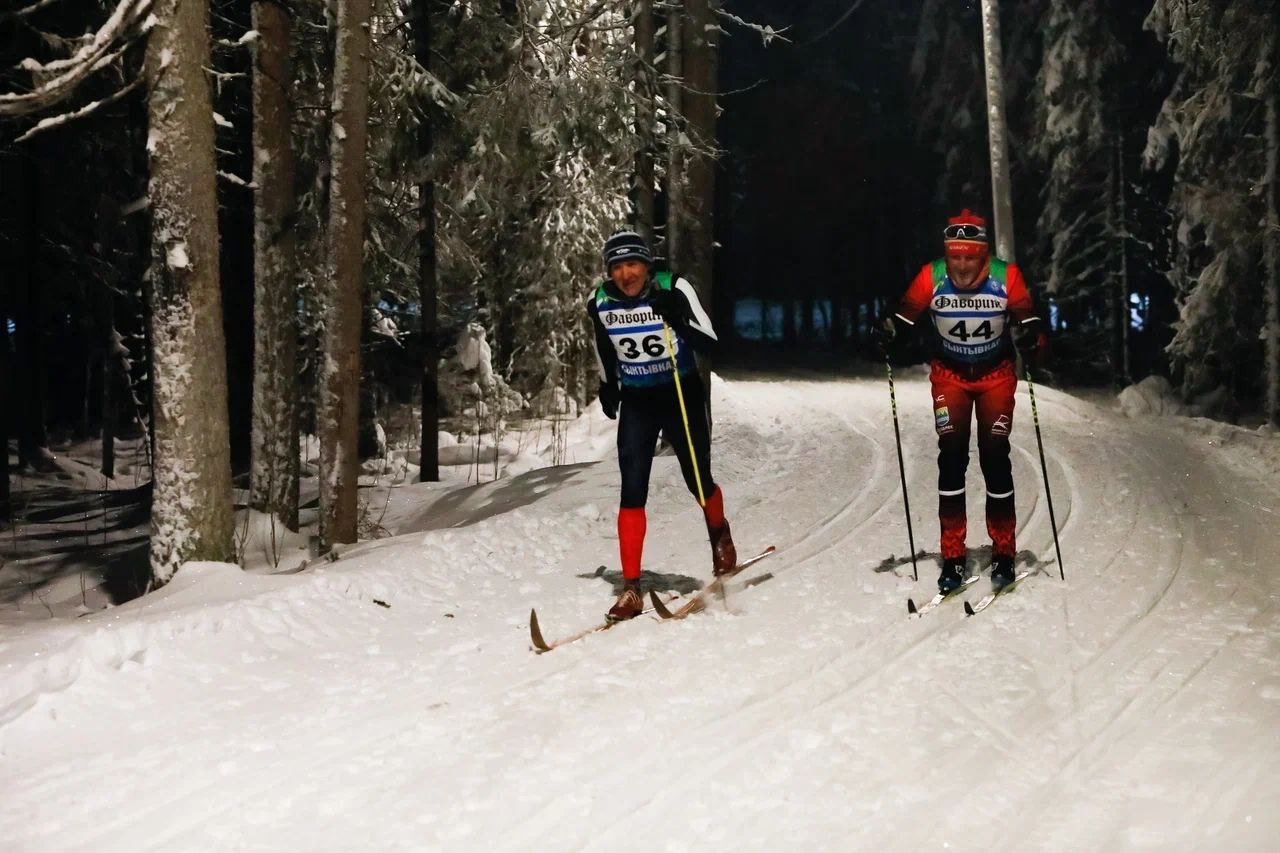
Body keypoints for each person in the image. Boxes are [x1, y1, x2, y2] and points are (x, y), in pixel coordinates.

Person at [874, 210, 1043, 593]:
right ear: (947, 255)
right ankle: (952, 556)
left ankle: (1004, 553)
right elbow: (904, 316)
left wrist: (1034, 341)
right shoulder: (931, 276)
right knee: (951, 458)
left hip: (995, 377)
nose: (963, 265)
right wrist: (887, 330)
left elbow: (1029, 319)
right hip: (949, 377)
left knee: (994, 456)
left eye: (971, 257)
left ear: (984, 256)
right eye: (956, 257)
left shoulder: (1006, 277)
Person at [587, 230, 737, 621]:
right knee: (632, 488)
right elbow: (604, 345)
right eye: (617, 267)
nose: (625, 274)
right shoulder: (600, 300)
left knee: (697, 479)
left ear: (647, 266)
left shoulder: (675, 286)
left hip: (679, 393)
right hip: (638, 400)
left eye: (632, 264)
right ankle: (631, 588)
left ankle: (719, 532)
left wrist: (677, 319)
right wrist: (607, 384)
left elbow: (712, 344)